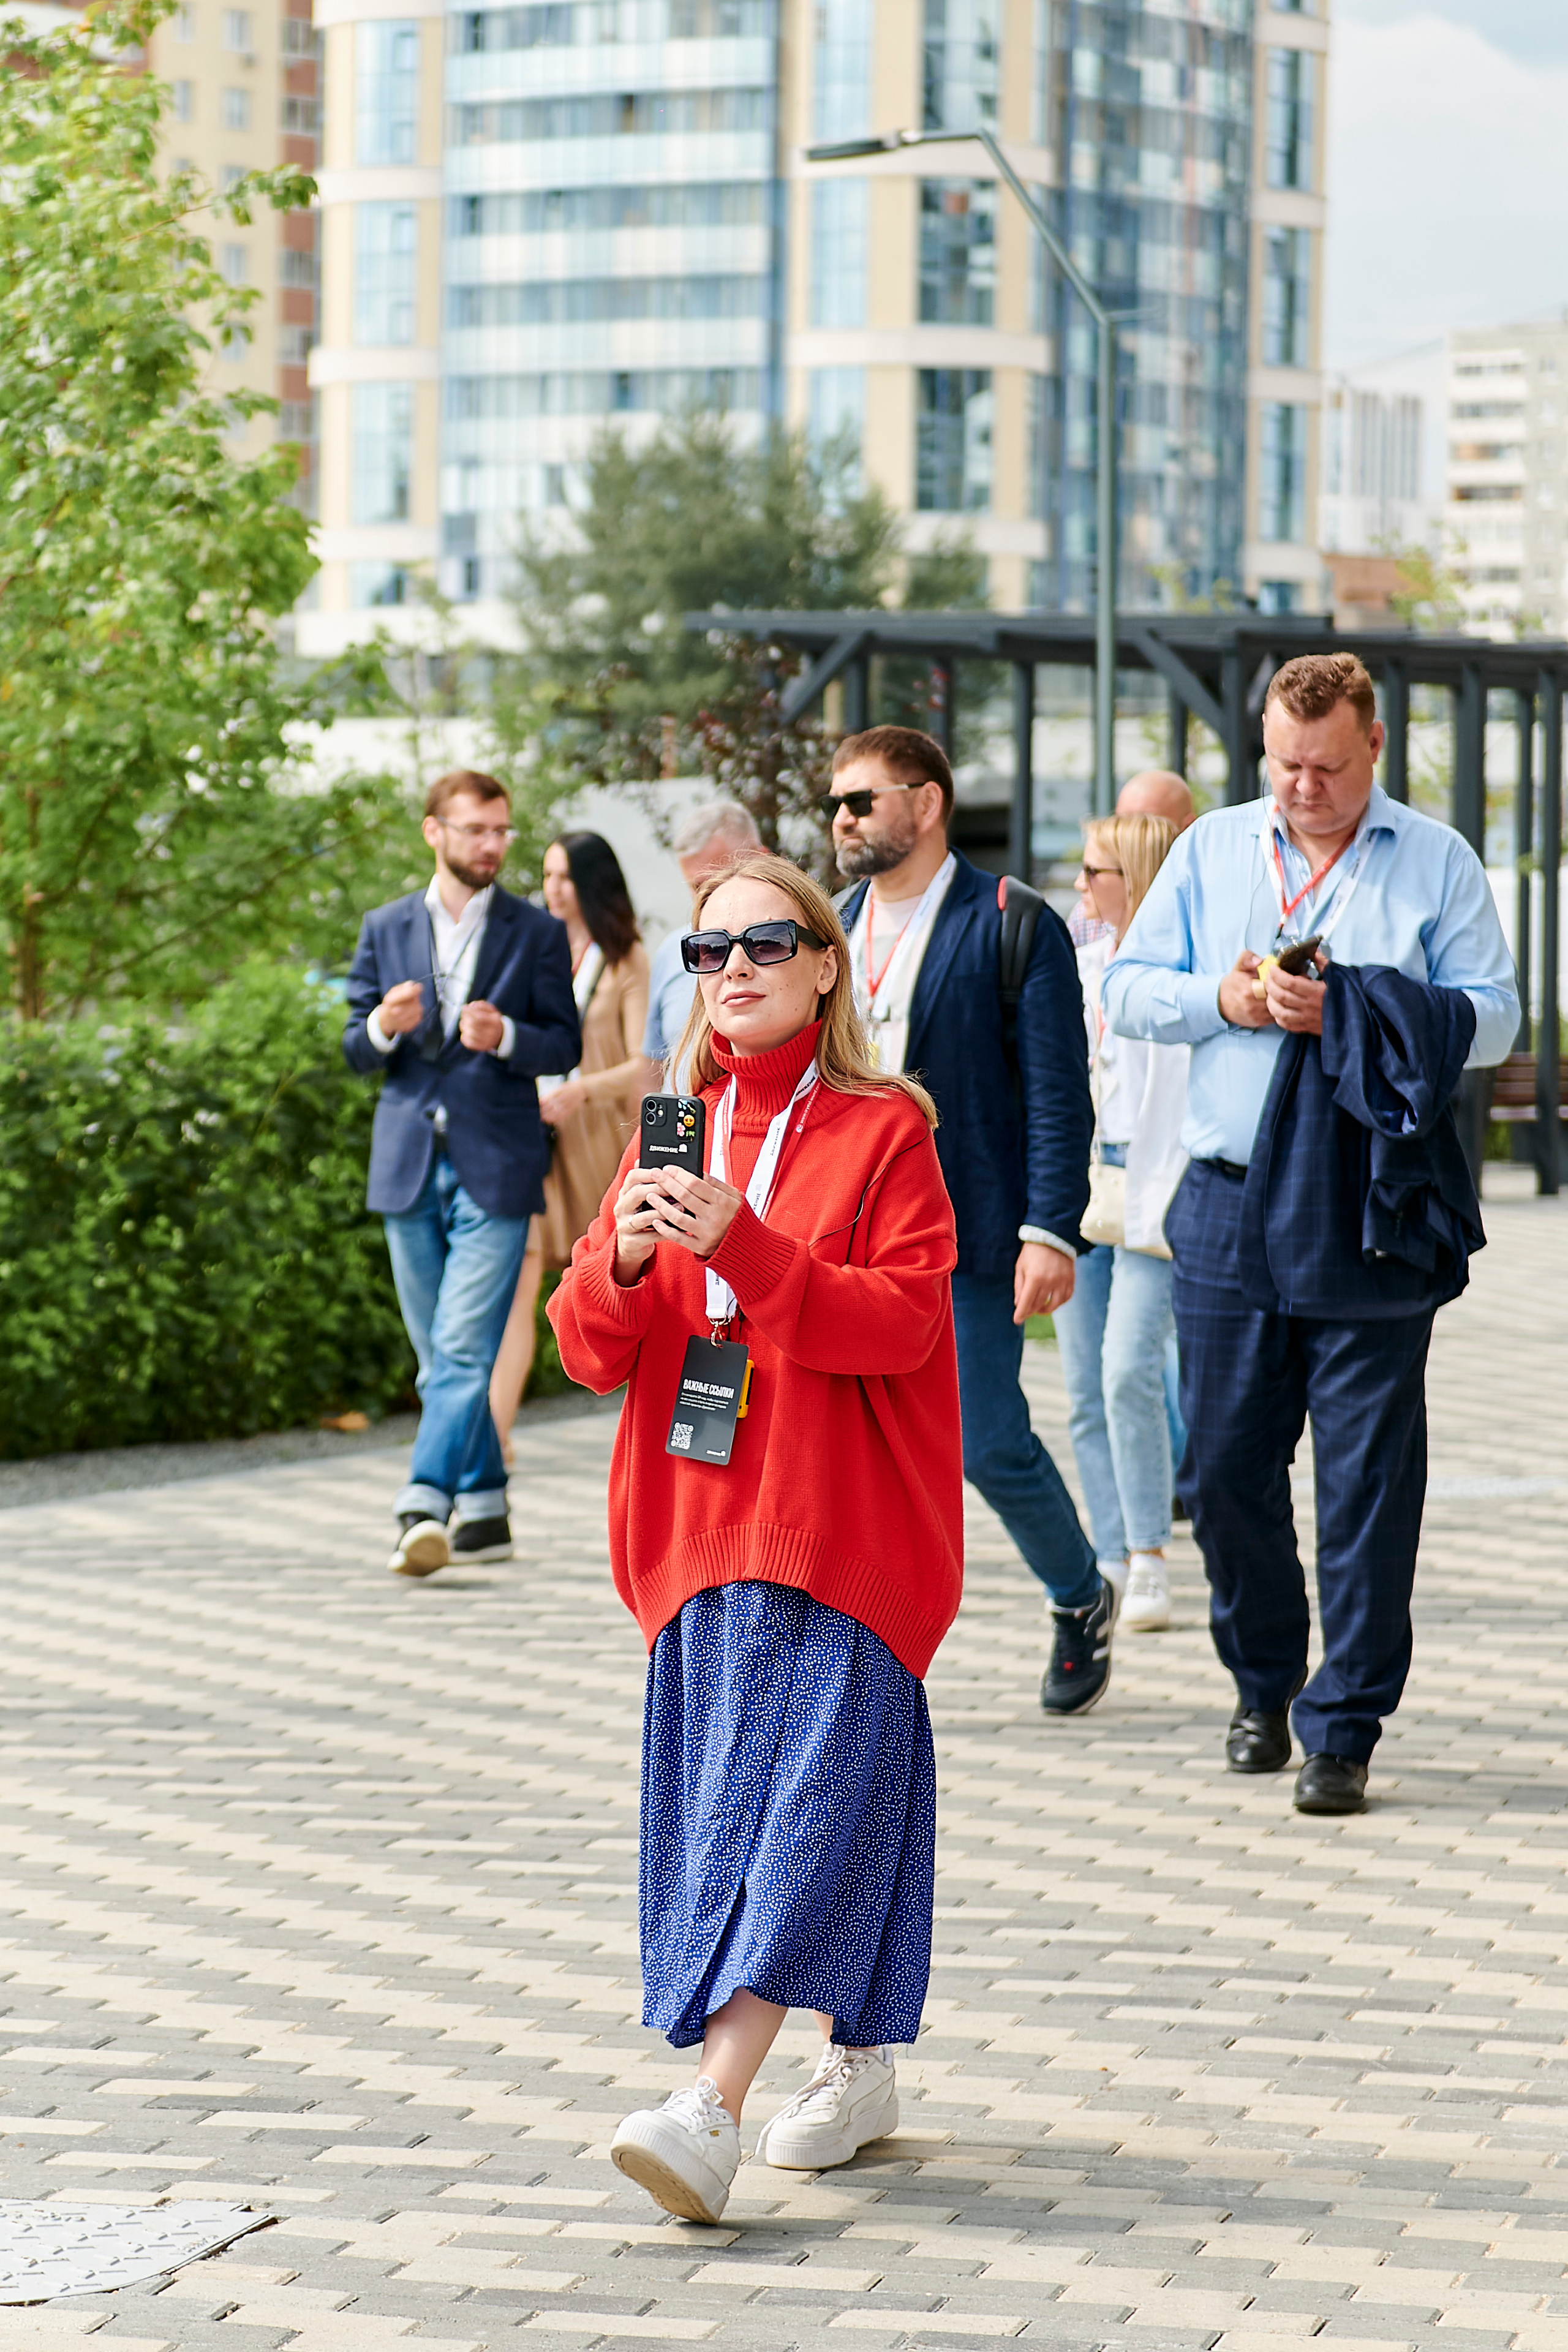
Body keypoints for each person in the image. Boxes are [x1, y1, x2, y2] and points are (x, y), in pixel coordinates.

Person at [547, 853, 962, 2225]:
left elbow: (899, 1323)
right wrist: (616, 1264)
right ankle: (860, 2061)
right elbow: (589, 1351)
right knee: (785, 1810)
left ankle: (705, 2109)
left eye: (766, 944)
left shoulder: (884, 1127)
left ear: (823, 964)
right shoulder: (672, 1127)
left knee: (797, 1813)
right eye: (708, 951)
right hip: (699, 1527)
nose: (733, 970)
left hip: (845, 1528)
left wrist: (755, 1248)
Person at [1102, 653, 1519, 1813]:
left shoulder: (1435, 858)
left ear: (1372, 748)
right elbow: (1128, 988)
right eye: (1285, 766)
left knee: (1368, 1484)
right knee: (1225, 1465)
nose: (1302, 789)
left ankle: (1344, 1726)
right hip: (1230, 1200)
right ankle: (1261, 1683)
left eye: (1326, 768)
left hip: (1372, 1203)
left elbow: (1494, 1018)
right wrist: (1222, 1001)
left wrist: (1366, 1005)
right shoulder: (1213, 847)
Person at [827, 726, 1106, 1715]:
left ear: (926, 802)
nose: (843, 821)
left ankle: (1079, 1594)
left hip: (969, 1230)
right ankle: (859, 1638)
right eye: (836, 805)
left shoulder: (1010, 921)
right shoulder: (826, 928)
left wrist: (1050, 1229)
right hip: (843, 1237)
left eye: (861, 800)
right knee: (850, 1448)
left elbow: (1058, 1093)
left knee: (983, 1439)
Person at [344, 770, 580, 1577]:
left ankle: (424, 1498)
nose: (492, 846)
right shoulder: (385, 926)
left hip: (499, 1162)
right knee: (439, 1355)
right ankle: (485, 1509)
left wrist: (507, 1035)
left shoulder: (536, 931)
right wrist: (381, 1024)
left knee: (460, 1347)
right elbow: (350, 1046)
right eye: (476, 830)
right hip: (408, 1161)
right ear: (433, 832)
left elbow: (564, 1045)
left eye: (501, 832)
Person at [1053, 815, 1188, 1634]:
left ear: (1133, 878)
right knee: (1079, 1390)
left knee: (1127, 1371)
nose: (1079, 885)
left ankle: (1148, 1554)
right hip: (1083, 1189)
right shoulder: (1077, 967)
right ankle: (1108, 1550)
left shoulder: (1181, 971)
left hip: (1156, 1188)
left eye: (1093, 870)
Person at [488, 833, 649, 1456]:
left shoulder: (625, 960)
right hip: (539, 1142)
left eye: (564, 876)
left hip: (598, 1147)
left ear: (592, 883)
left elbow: (645, 1066)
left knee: (613, 1278)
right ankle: (491, 1440)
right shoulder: (541, 953)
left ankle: (640, 1416)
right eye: (547, 875)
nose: (551, 888)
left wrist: (580, 1092)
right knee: (518, 1284)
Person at [636, 800, 762, 1097]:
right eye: (697, 887)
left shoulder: (797, 949)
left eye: (721, 879)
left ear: (762, 859)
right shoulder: (672, 952)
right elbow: (651, 1066)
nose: (708, 897)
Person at [1068, 771, 1194, 947]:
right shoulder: (1086, 917)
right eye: (1120, 820)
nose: (1127, 833)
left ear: (1187, 827)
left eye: (1144, 823)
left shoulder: (1196, 914)